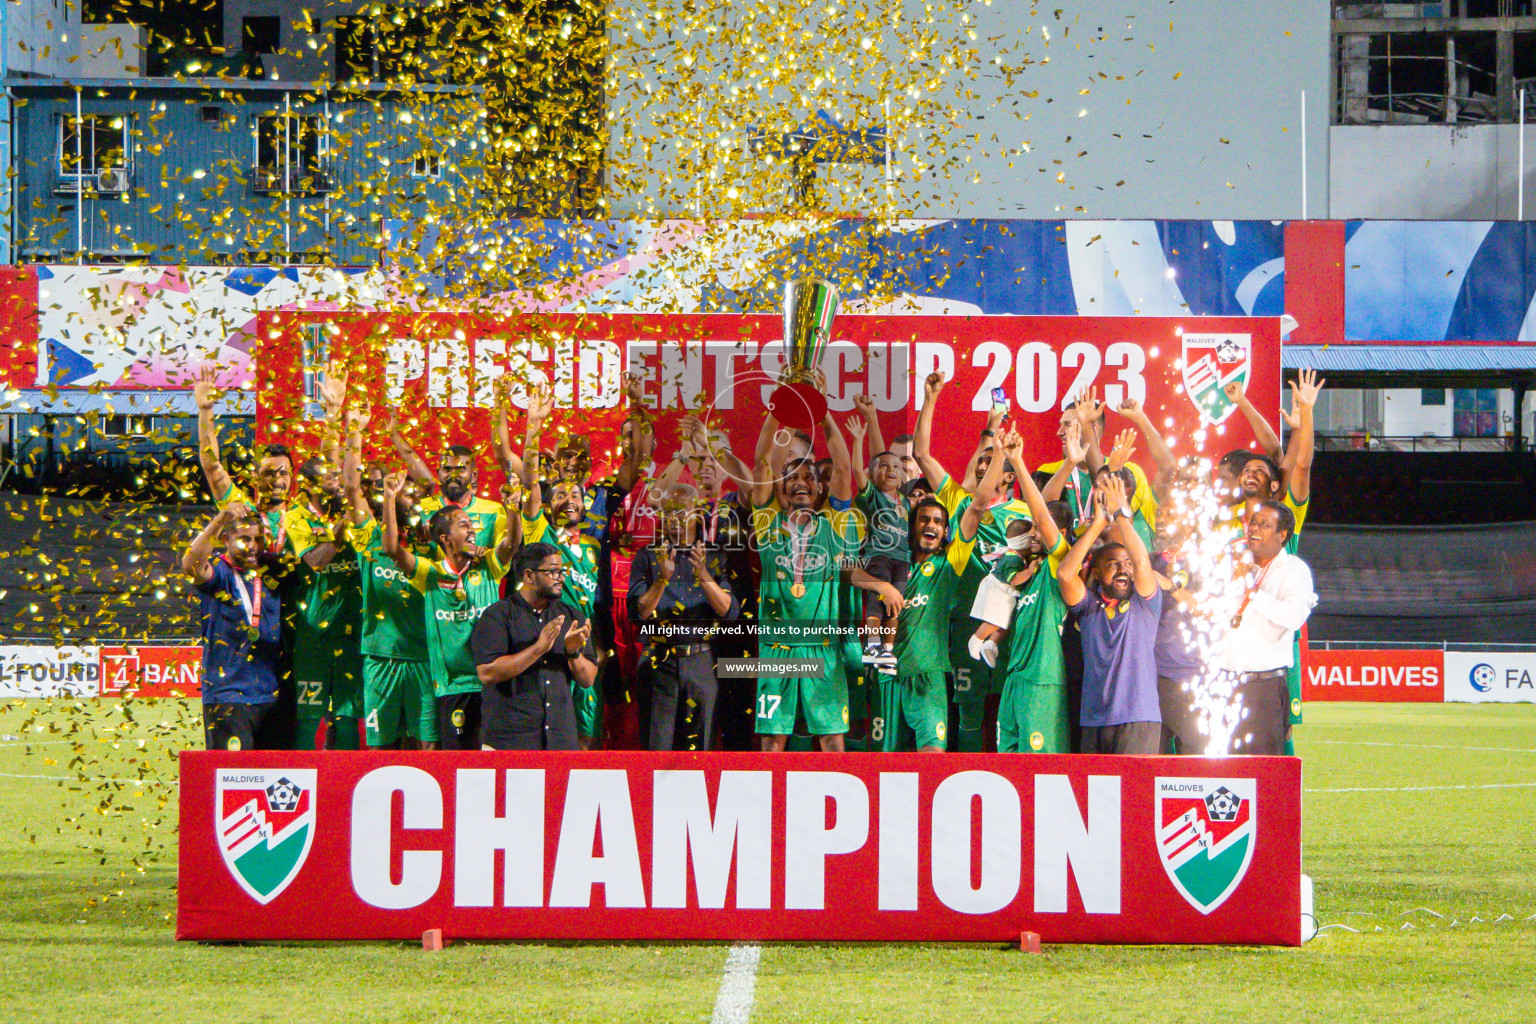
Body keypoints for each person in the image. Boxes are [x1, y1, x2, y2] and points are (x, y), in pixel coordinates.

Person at [852, 428, 1008, 752]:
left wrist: (1001, 456)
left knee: (933, 755)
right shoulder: (895, 555)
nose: (931, 526)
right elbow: (853, 574)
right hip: (888, 675)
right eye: (925, 519)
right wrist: (883, 587)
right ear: (913, 526)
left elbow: (976, 507)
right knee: (886, 765)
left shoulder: (950, 564)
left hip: (929, 676)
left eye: (938, 521)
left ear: (946, 531)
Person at [382, 471, 520, 751]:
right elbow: (392, 548)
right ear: (445, 539)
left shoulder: (489, 567)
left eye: (472, 524)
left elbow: (512, 544)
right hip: (452, 688)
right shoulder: (428, 574)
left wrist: (513, 508)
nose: (472, 530)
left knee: (491, 764)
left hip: (492, 685)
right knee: (458, 767)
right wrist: (389, 497)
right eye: (463, 525)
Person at [750, 410, 861, 753]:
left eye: (809, 476)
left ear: (819, 487)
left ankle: (835, 801)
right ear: (781, 486)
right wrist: (778, 409)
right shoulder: (767, 523)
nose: (801, 481)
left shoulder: (833, 525)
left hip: (823, 650)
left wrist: (823, 413)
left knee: (831, 740)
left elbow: (843, 468)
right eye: (792, 476)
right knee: (772, 741)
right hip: (777, 650)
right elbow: (761, 463)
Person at [342, 409, 438, 750]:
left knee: (427, 747)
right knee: (379, 748)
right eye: (400, 492)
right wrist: (356, 429)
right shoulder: (369, 538)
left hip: (425, 659)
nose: (408, 497)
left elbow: (430, 483)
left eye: (410, 494)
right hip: (380, 659)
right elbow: (351, 487)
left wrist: (398, 439)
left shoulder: (433, 542)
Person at [628, 482, 740, 750]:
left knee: (700, 750)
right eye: (666, 513)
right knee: (656, 748)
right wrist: (662, 581)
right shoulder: (648, 555)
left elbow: (730, 612)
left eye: (679, 512)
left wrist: (703, 576)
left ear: (696, 514)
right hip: (658, 660)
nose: (672, 520)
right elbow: (638, 612)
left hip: (701, 660)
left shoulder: (713, 555)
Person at [1058, 475, 1164, 755]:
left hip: (1138, 719)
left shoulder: (1145, 603)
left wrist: (1120, 515)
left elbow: (1142, 562)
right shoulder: (1088, 606)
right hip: (1093, 720)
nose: (1123, 570)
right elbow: (1065, 573)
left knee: (1134, 798)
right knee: (1094, 799)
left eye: (1126, 564)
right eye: (1112, 564)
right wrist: (1098, 525)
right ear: (1095, 572)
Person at [1212, 500, 1317, 755]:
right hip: (1223, 685)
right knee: (1221, 775)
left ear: (1283, 535)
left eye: (1265, 525)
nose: (1254, 528)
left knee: (1262, 776)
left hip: (1264, 689)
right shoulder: (1232, 566)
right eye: (1254, 523)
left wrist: (1251, 589)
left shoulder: (1294, 570)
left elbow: (1294, 618)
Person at [472, 542, 598, 750]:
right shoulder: (498, 615)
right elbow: (487, 673)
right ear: (529, 576)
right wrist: (538, 648)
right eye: (552, 572)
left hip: (560, 741)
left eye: (562, 571)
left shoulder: (571, 616)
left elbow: (587, 679)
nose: (561, 578)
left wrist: (573, 653)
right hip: (510, 740)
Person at [183, 505, 283, 751]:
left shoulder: (272, 572)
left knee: (268, 783)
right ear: (226, 539)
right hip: (229, 696)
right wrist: (219, 521)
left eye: (258, 540)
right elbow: (191, 565)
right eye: (244, 539)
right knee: (232, 782)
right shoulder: (221, 572)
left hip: (271, 696)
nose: (252, 546)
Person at [848, 392, 908, 675]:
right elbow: (862, 473)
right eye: (884, 467)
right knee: (877, 603)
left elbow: (882, 460)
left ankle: (887, 650)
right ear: (873, 474)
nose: (891, 470)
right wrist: (859, 439)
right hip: (877, 558)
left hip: (902, 561)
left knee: (896, 604)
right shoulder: (871, 496)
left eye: (897, 466)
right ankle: (871, 644)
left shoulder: (907, 503)